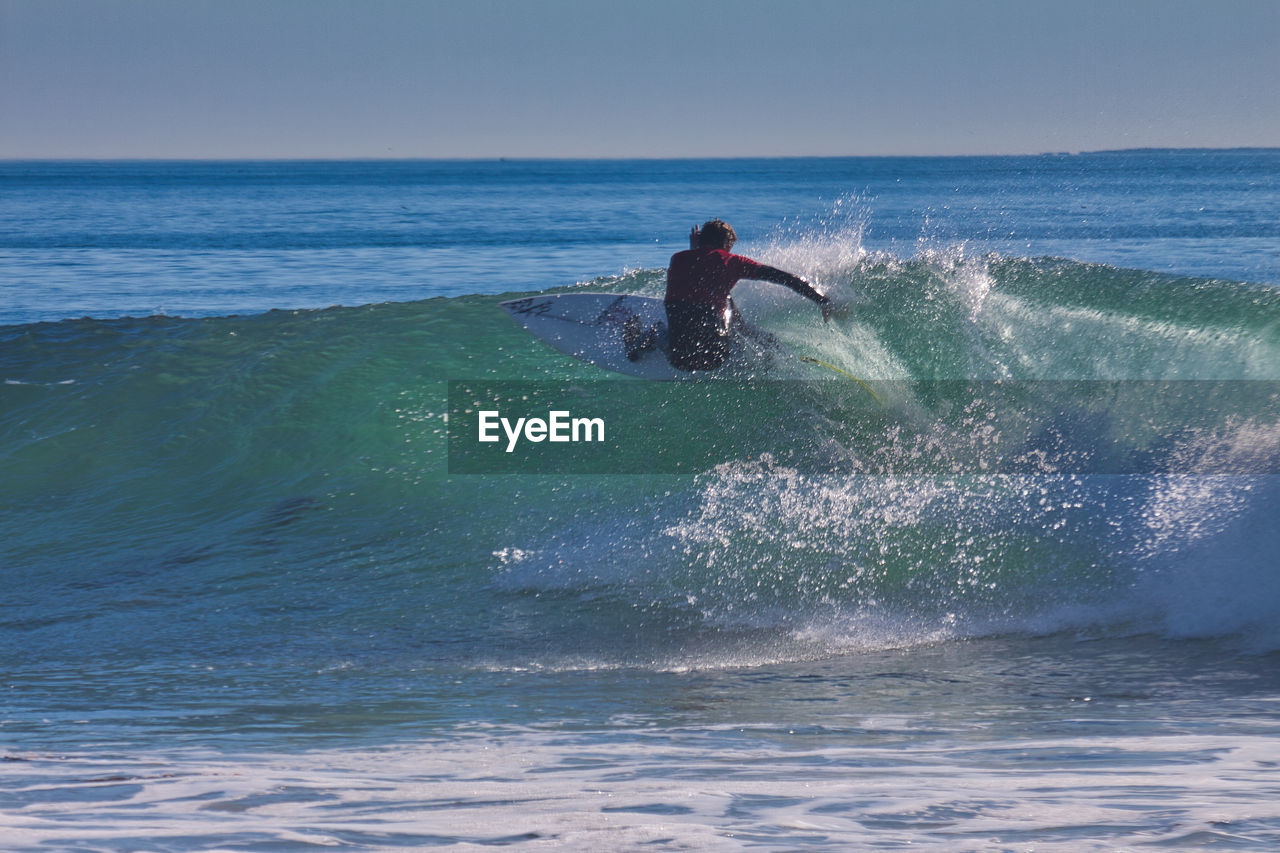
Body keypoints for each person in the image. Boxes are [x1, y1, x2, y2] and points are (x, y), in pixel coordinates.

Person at [661, 219, 831, 371]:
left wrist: (697, 250)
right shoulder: (732, 261)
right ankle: (750, 339)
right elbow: (785, 278)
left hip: (677, 358)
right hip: (715, 357)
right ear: (726, 244)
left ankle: (647, 341)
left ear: (701, 241)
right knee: (726, 300)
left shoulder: (677, 258)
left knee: (683, 308)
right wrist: (820, 300)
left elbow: (696, 275)